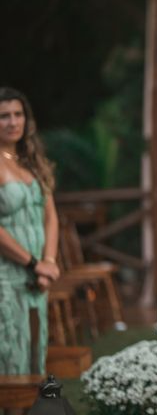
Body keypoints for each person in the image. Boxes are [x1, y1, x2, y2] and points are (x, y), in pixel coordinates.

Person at [0, 87, 60, 376]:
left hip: (38, 277)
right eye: (4, 116)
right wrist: (33, 263)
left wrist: (48, 263)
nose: (13, 122)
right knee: (10, 353)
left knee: (36, 350)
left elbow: (50, 216)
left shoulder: (31, 161)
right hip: (7, 275)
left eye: (18, 114)